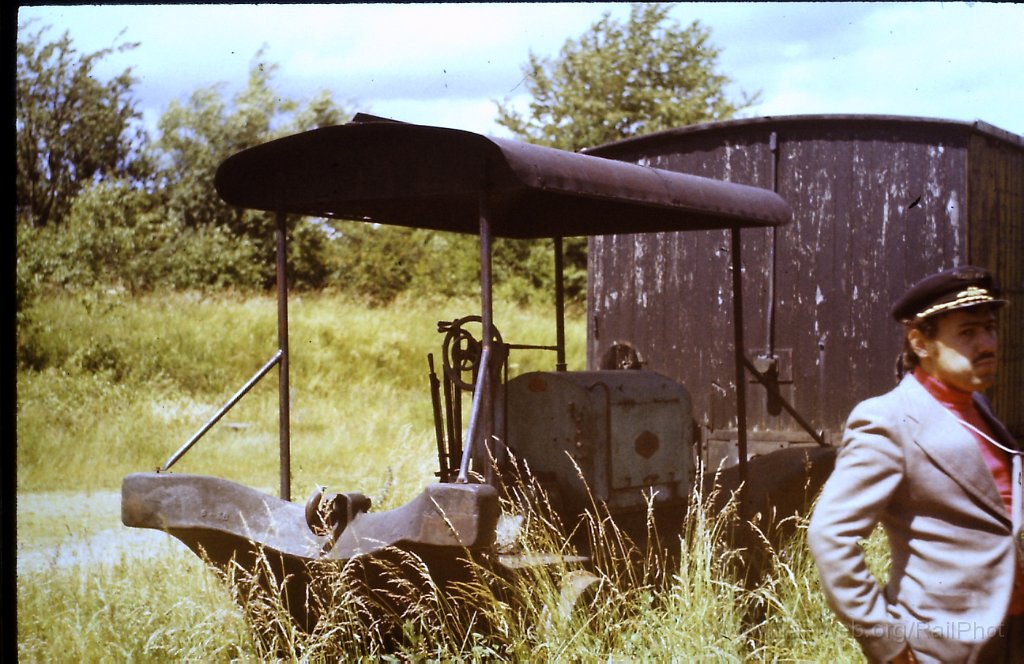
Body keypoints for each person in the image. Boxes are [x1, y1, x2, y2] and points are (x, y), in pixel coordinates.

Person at [808, 265, 1021, 663]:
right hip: (946, 646)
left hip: (1010, 635)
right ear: (921, 343)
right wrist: (888, 647)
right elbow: (830, 536)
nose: (988, 343)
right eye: (968, 332)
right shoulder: (888, 420)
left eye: (990, 328)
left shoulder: (976, 404)